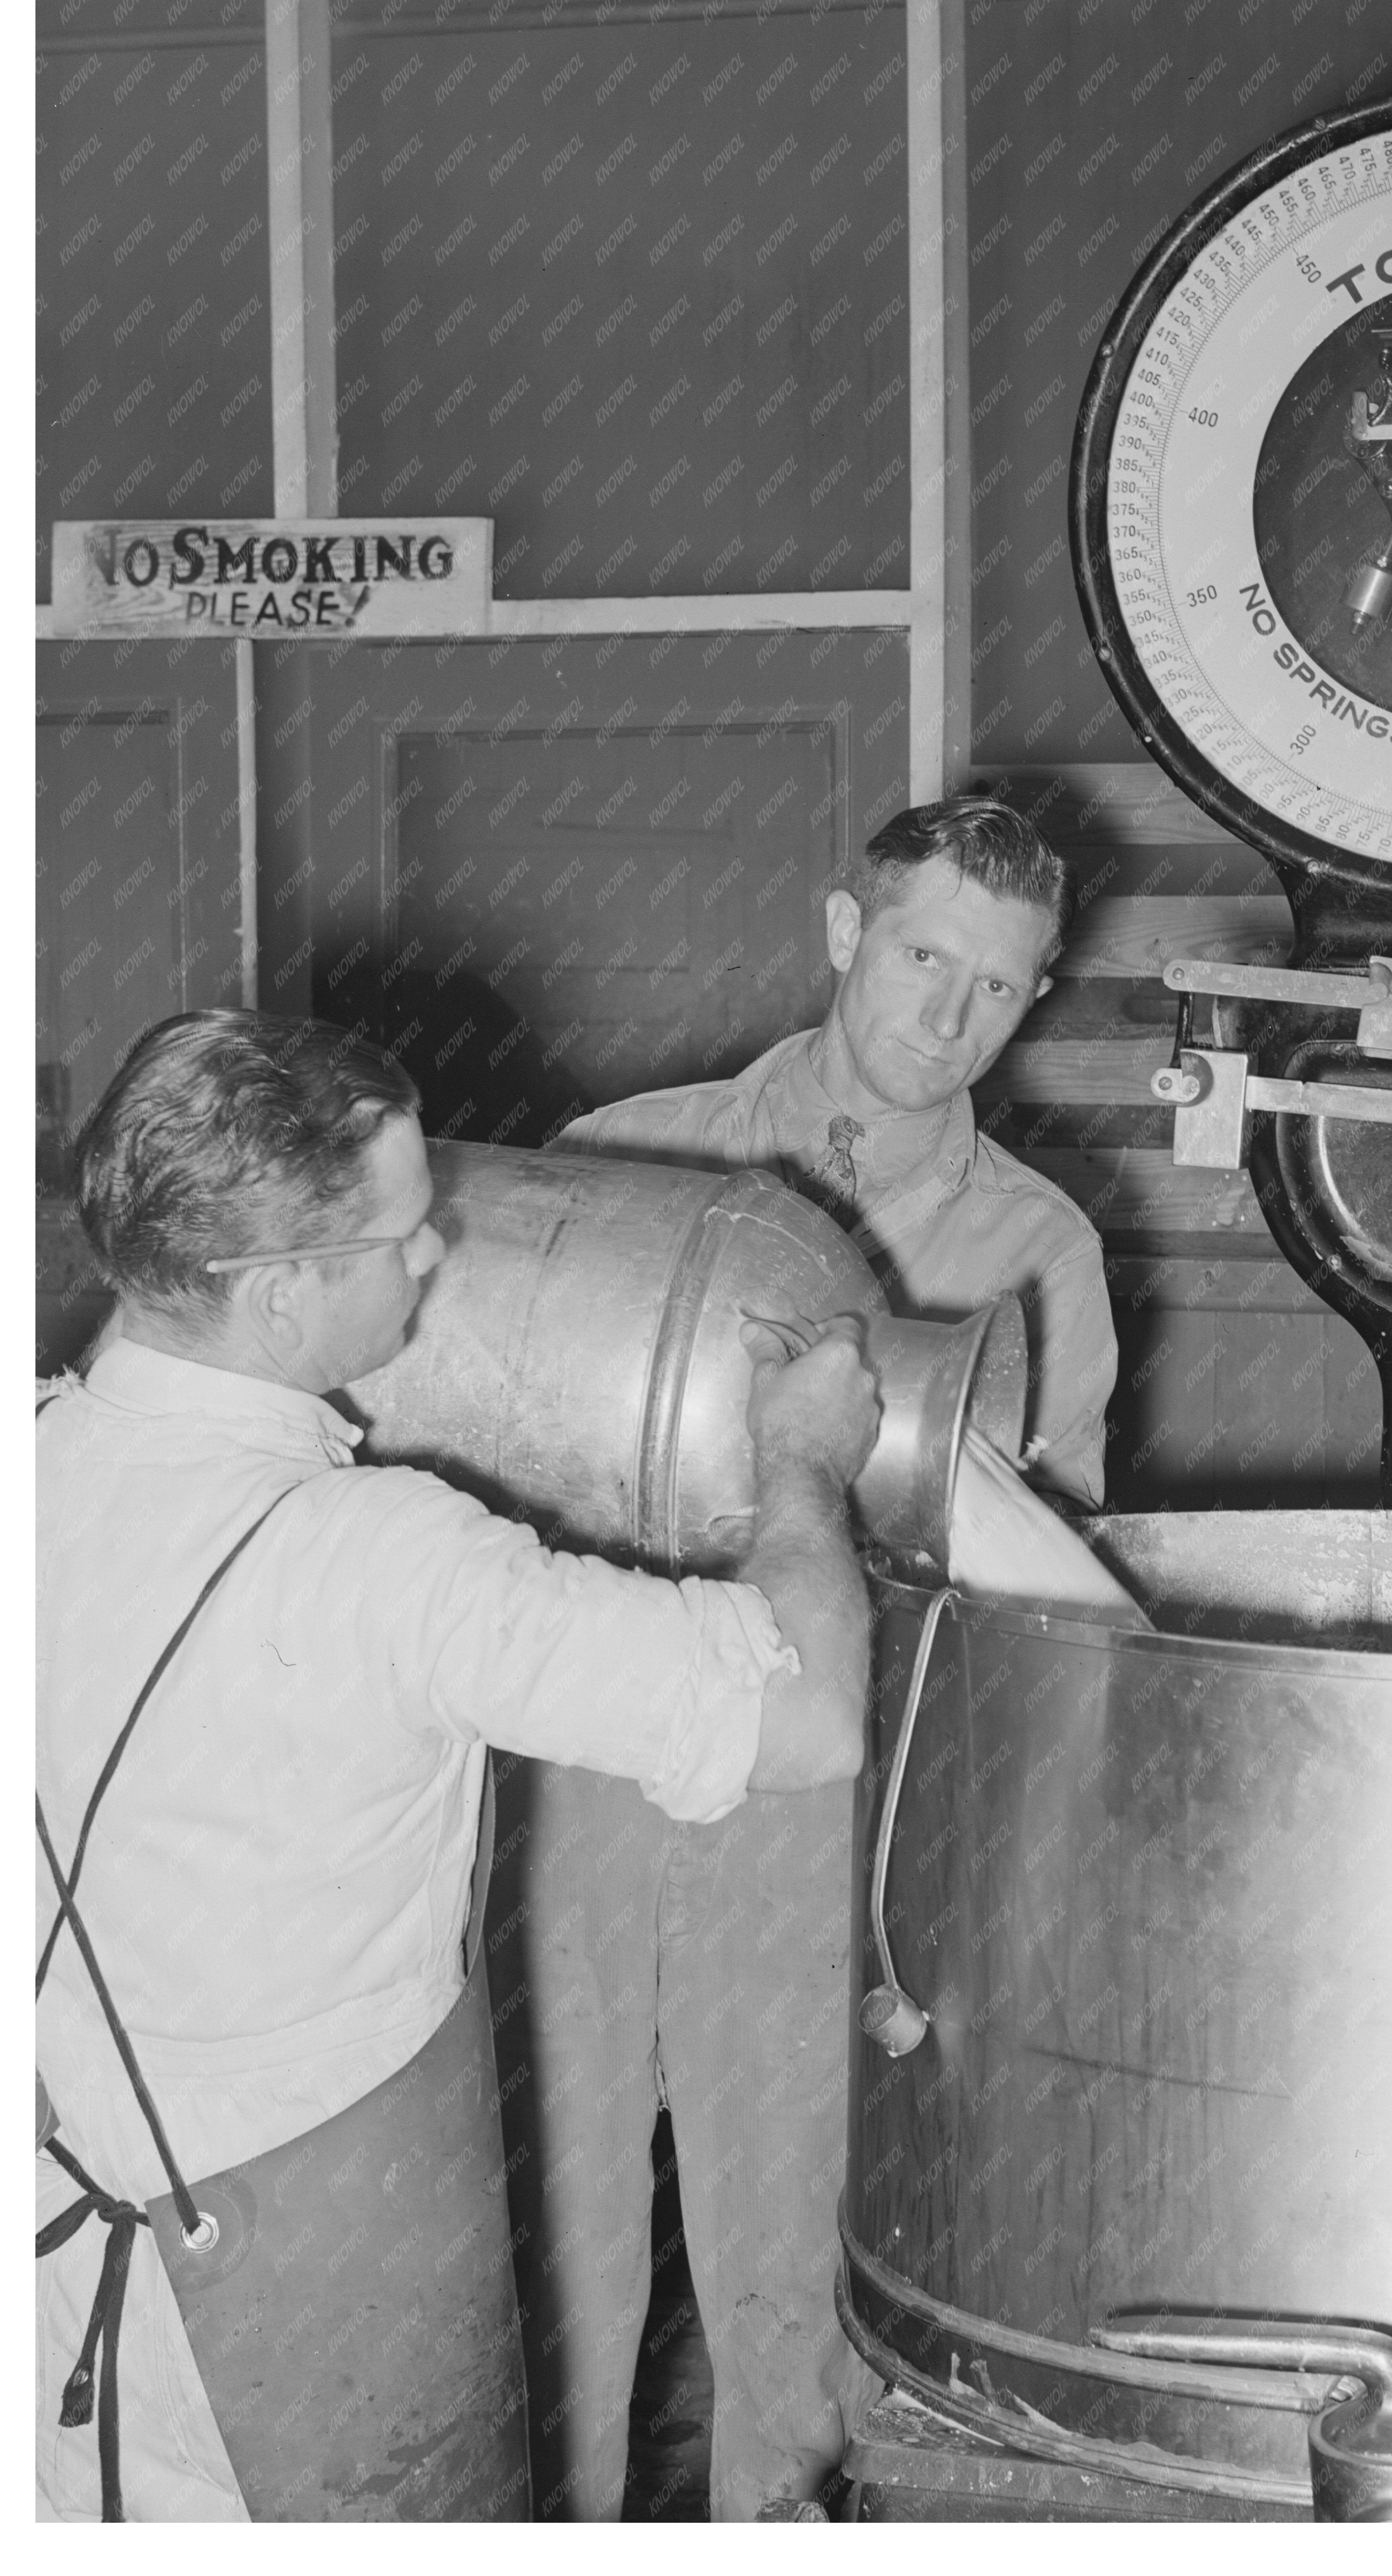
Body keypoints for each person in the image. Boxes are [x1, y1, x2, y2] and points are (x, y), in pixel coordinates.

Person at [35, 1010, 879, 2523]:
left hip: (63, 2274)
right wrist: (800, 1460)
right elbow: (808, 1715)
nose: (438, 1261)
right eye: (406, 1237)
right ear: (284, 1292)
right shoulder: (386, 1562)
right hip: (314, 2300)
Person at [505, 797, 1117, 2518]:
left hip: (822, 1821)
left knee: (790, 2261)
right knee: (557, 2234)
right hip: (583, 1782)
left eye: (999, 988)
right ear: (847, 932)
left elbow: (1037, 1585)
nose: (949, 1016)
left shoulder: (1036, 1250)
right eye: (924, 958)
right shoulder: (625, 1151)